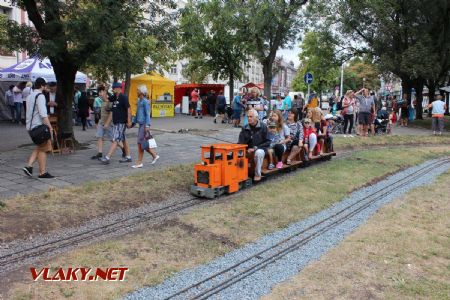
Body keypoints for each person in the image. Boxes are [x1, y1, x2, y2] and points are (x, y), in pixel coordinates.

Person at [22, 78, 54, 178]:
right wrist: (50, 127)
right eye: (45, 86)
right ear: (41, 86)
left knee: (40, 146)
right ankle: (42, 172)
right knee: (44, 148)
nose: (46, 88)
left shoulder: (30, 96)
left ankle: (29, 166)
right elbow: (43, 114)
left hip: (30, 127)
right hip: (39, 126)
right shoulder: (40, 96)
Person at [100, 82, 132, 164]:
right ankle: (128, 157)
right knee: (124, 139)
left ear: (119, 88)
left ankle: (107, 158)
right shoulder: (114, 97)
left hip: (121, 122)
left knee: (115, 139)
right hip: (116, 122)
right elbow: (105, 99)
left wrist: (129, 121)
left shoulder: (123, 97)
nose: (113, 90)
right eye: (113, 89)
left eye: (114, 88)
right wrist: (105, 90)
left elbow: (128, 109)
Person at [238, 108, 271, 182]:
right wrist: (245, 149)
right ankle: (240, 173)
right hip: (248, 149)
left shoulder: (263, 127)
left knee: (258, 152)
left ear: (256, 117)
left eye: (251, 116)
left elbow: (268, 141)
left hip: (261, 149)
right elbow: (240, 142)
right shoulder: (244, 127)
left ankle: (257, 174)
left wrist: (256, 148)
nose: (249, 118)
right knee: (237, 152)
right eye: (248, 117)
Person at [131, 85, 159, 168]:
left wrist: (147, 125)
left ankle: (139, 162)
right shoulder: (139, 101)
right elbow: (137, 113)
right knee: (142, 143)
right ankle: (154, 155)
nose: (136, 92)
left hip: (144, 125)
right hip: (140, 125)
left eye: (137, 91)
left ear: (141, 92)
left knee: (140, 143)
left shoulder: (145, 102)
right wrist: (133, 122)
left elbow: (147, 114)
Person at [91, 86, 112, 159]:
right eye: (99, 92)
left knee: (113, 139)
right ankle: (100, 153)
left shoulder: (109, 100)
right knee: (99, 136)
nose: (100, 94)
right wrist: (97, 122)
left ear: (105, 92)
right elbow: (97, 113)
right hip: (101, 122)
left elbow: (111, 113)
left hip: (108, 123)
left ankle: (123, 149)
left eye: (101, 92)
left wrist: (107, 123)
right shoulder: (99, 100)